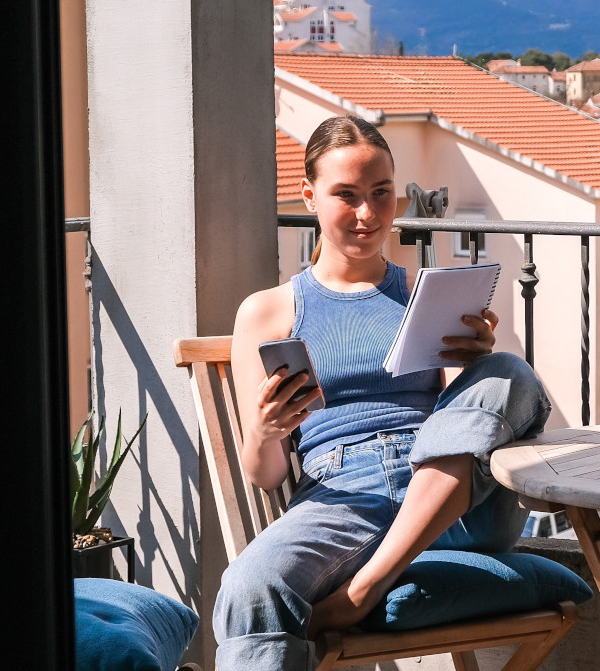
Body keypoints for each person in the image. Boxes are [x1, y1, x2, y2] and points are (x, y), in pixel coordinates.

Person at [213, 115, 551, 669]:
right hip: (345, 498)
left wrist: (476, 363)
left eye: (381, 194)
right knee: (249, 589)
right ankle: (375, 577)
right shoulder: (270, 312)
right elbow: (265, 475)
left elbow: (472, 422)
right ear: (310, 197)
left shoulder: (427, 293)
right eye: (346, 195)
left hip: (451, 500)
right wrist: (265, 429)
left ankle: (366, 588)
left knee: (509, 370)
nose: (368, 214)